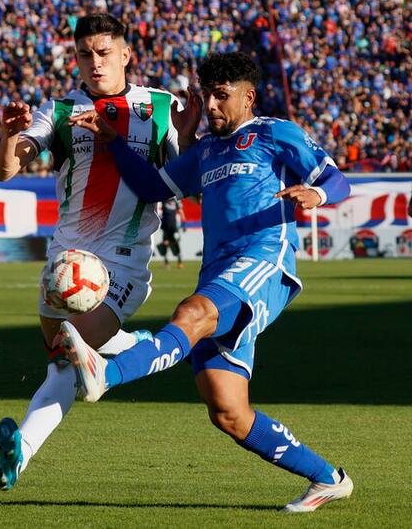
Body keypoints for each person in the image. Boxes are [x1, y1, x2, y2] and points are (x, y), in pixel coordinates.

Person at [63, 51, 353, 512]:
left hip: (263, 262)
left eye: (222, 96)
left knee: (190, 313)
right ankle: (329, 478)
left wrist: (315, 192)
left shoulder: (274, 133)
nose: (212, 105)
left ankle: (107, 373)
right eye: (207, 95)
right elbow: (154, 187)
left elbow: (337, 179)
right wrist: (115, 141)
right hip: (218, 272)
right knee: (229, 412)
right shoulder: (205, 151)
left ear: (248, 97)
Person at [0, 14, 197, 491]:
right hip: (64, 262)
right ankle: (140, 346)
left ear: (126, 54)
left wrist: (189, 135)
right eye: (85, 54)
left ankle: (21, 450)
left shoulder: (160, 106)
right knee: (64, 362)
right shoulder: (58, 110)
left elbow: (187, 179)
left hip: (121, 262)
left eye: (105, 52)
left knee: (72, 354)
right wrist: (5, 137)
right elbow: (2, 172)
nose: (95, 62)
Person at [157, 198, 185, 268]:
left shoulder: (176, 200)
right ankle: (166, 263)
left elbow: (181, 211)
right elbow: (158, 211)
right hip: (165, 226)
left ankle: (180, 262)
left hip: (174, 226)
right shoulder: (163, 200)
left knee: (176, 242)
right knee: (165, 243)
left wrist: (184, 223)